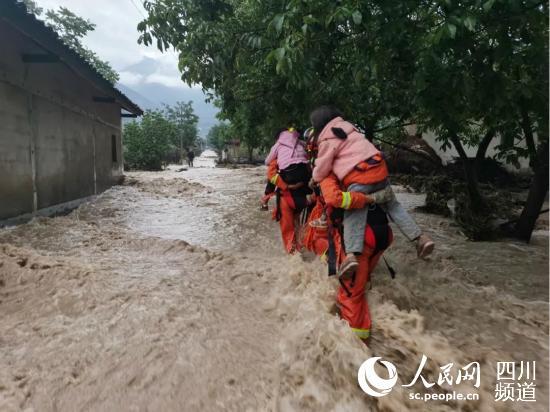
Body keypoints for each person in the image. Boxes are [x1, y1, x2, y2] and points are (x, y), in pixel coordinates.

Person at [309, 106, 434, 278]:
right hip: (380, 172)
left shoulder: (326, 139)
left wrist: (315, 178)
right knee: (394, 206)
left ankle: (351, 256)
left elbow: (322, 169)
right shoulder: (352, 131)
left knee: (354, 215)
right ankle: (420, 238)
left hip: (359, 177)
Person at [303, 172, 392, 342]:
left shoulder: (329, 174)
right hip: (382, 233)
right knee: (361, 281)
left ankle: (357, 343)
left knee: (350, 295)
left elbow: (334, 200)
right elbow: (392, 203)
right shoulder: (372, 170)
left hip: (359, 239)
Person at [262, 127, 313, 253]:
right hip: (304, 190)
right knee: (298, 220)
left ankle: (293, 254)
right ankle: (302, 245)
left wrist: (267, 197)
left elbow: (270, 173)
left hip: (287, 195)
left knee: (287, 226)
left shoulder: (277, 150)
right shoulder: (300, 143)